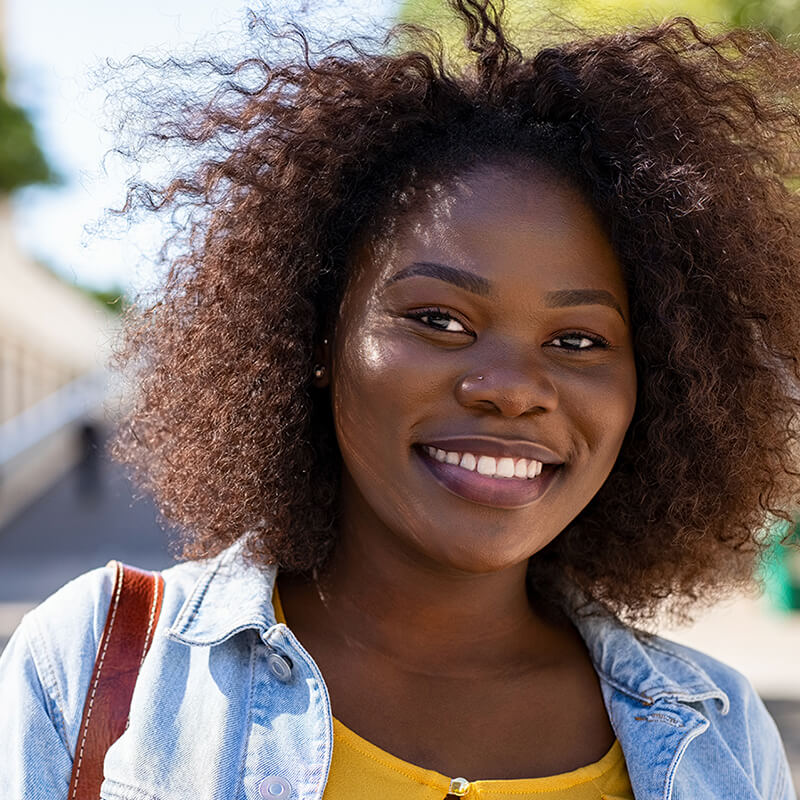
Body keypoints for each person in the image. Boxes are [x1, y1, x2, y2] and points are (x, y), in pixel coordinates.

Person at [1, 1, 799, 797]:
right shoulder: (102, 664)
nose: (514, 389)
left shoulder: (719, 732)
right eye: (440, 320)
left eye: (580, 340)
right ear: (317, 340)